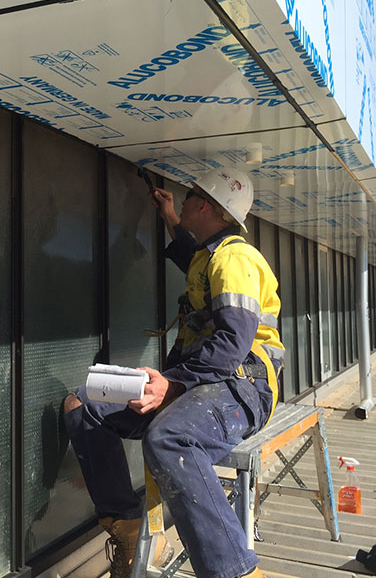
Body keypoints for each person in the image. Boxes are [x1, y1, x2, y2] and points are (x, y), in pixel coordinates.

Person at [63, 168, 285, 578]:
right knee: (85, 404)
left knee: (170, 438)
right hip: (202, 381)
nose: (182, 202)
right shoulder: (210, 256)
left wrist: (174, 384)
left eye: (187, 198)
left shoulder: (235, 258)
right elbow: (188, 250)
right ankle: (127, 528)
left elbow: (233, 344)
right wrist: (167, 214)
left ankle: (235, 571)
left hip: (242, 385)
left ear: (204, 205)